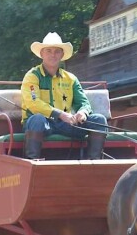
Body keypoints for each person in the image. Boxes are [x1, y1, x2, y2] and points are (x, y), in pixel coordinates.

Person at [20, 32, 109, 160]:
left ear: (62, 55)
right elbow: (33, 103)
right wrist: (61, 114)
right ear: (41, 54)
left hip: (66, 124)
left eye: (57, 51)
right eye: (48, 51)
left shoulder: (71, 79)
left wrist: (82, 113)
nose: (53, 54)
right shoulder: (32, 76)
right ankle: (33, 162)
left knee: (99, 120)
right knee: (37, 119)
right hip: (42, 124)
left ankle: (94, 163)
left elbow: (83, 103)